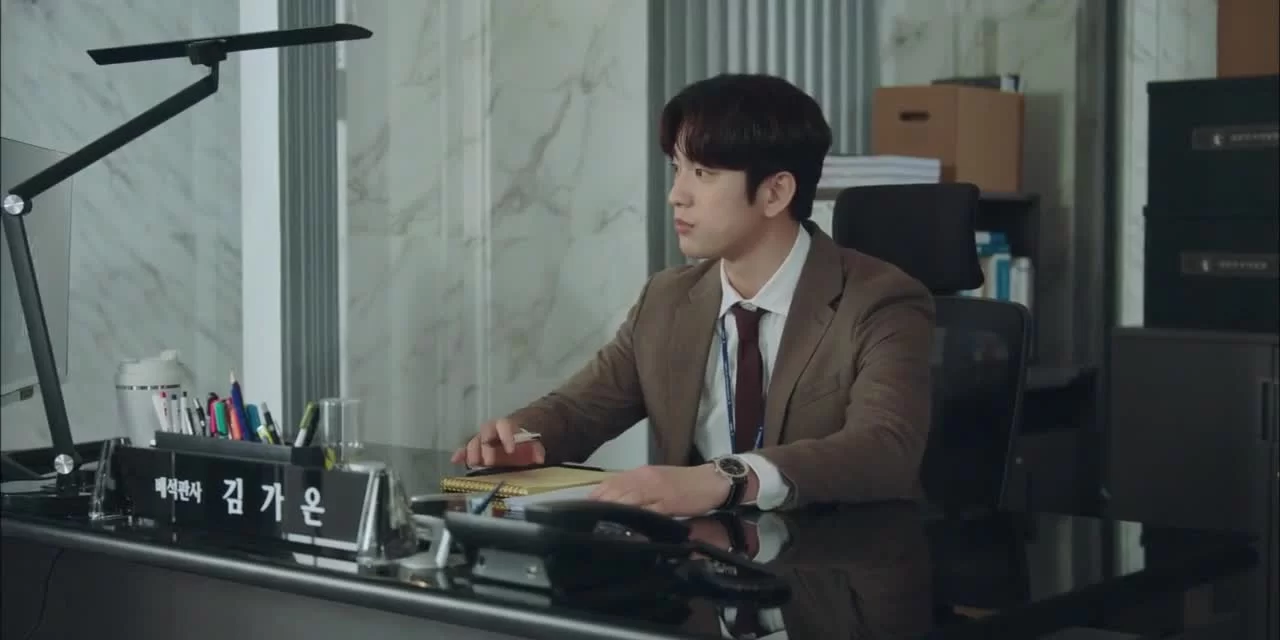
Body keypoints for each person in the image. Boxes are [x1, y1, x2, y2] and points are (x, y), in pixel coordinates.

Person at [453, 73, 935, 517]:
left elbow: (884, 448)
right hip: (697, 561)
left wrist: (726, 478)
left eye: (703, 173)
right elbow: (581, 409)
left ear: (775, 193)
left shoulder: (880, 301)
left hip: (833, 561)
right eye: (676, 168)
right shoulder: (667, 298)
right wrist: (525, 436)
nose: (677, 195)